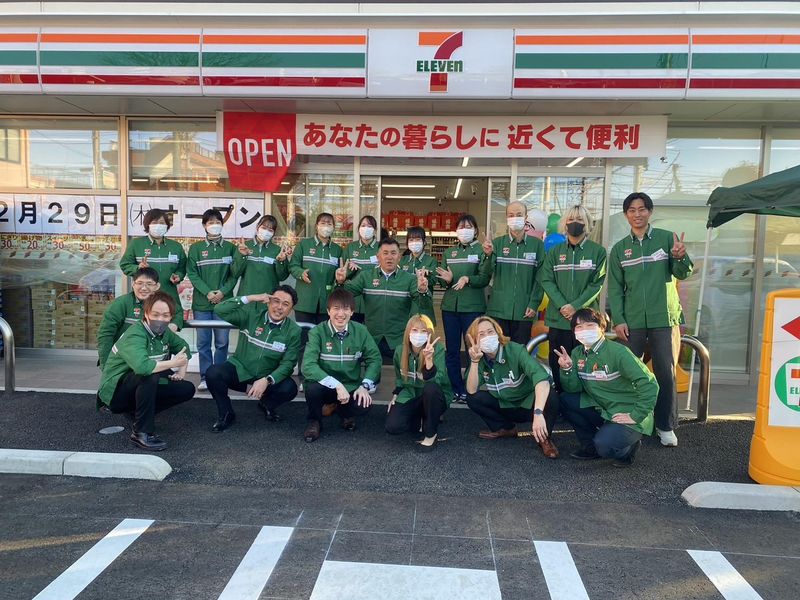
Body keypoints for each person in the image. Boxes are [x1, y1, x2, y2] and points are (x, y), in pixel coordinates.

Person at [607, 192, 692, 447]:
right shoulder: (620, 249)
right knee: (630, 373)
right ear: (626, 215)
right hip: (632, 321)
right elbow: (615, 289)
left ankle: (665, 426)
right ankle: (632, 422)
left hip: (663, 317)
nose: (637, 214)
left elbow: (683, 273)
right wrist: (619, 319)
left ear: (650, 212)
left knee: (665, 373)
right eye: (632, 210)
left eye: (642, 209)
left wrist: (680, 257)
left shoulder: (667, 239)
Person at [555, 308, 658, 467]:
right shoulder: (577, 353)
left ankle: (627, 449)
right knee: (566, 400)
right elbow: (573, 389)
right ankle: (589, 446)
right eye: (579, 327)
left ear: (602, 328)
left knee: (604, 446)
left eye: (590, 325)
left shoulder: (618, 352)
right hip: (601, 406)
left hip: (626, 409)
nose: (584, 330)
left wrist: (636, 415)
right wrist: (567, 369)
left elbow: (649, 383)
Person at [97, 291, 195, 451]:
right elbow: (143, 367)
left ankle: (138, 414)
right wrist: (174, 363)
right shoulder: (135, 333)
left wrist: (181, 372)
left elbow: (184, 348)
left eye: (165, 315)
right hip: (115, 393)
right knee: (149, 376)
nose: (160, 319)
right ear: (146, 314)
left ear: (171, 317)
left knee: (186, 388)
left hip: (137, 383)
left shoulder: (165, 333)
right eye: (155, 314)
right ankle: (141, 433)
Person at [206, 285, 301, 432]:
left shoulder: (294, 330)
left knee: (290, 388)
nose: (279, 307)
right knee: (213, 373)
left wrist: (267, 380)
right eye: (276, 301)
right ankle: (226, 413)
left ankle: (266, 404)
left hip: (266, 378)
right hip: (240, 371)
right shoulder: (251, 315)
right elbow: (220, 309)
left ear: (291, 309)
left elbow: (288, 364)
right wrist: (251, 298)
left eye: (285, 304)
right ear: (268, 301)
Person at [465, 316, 559, 458]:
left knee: (551, 396)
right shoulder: (479, 358)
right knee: (473, 398)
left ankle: (545, 439)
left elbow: (541, 379)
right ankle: (506, 429)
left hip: (528, 405)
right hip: (505, 405)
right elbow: (471, 390)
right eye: (481, 334)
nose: (487, 337)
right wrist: (474, 361)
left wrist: (538, 413)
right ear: (474, 340)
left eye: (490, 332)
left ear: (498, 333)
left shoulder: (516, 350)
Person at [535, 205, 607, 392]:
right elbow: (547, 280)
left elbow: (596, 284)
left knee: (588, 365)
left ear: (588, 223)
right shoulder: (554, 252)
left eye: (580, 219)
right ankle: (561, 401)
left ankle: (587, 401)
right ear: (564, 224)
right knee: (558, 363)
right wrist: (563, 306)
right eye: (571, 219)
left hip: (586, 321)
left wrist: (576, 306)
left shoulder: (598, 252)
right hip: (559, 320)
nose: (575, 223)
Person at [301, 289, 382, 442]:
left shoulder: (361, 331)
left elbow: (375, 359)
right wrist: (337, 385)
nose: (340, 314)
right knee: (312, 389)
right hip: (325, 385)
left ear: (352, 312)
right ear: (328, 311)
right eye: (336, 308)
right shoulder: (317, 332)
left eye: (345, 309)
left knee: (364, 405)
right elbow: (308, 365)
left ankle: (344, 412)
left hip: (350, 385)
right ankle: (314, 421)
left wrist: (364, 386)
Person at [336, 237, 429, 359]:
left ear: (399, 257)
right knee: (368, 369)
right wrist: (340, 282)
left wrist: (423, 290)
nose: (389, 257)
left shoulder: (409, 279)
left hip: (398, 339)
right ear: (378, 257)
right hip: (371, 338)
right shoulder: (366, 277)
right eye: (385, 253)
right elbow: (345, 295)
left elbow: (424, 304)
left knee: (404, 369)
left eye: (393, 253)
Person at [436, 214, 492, 403]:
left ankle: (470, 387)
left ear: (475, 230)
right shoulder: (449, 253)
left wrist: (468, 279)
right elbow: (442, 281)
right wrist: (447, 280)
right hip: (450, 307)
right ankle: (456, 388)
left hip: (472, 307)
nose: (464, 230)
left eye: (468, 227)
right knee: (452, 350)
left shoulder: (482, 250)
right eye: (461, 227)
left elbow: (484, 278)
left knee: (472, 349)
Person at [187, 208, 238, 390]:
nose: (214, 225)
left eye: (217, 222)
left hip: (224, 304)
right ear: (204, 226)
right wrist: (208, 292)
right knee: (203, 343)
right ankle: (205, 377)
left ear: (222, 225)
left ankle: (219, 376)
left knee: (222, 342)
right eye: (210, 222)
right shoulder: (196, 248)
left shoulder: (231, 248)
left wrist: (222, 293)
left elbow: (234, 275)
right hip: (202, 304)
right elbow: (192, 273)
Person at [386, 314, 452, 451]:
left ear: (429, 334)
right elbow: (399, 377)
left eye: (423, 331)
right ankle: (423, 418)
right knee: (393, 427)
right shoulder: (400, 350)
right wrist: (396, 395)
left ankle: (431, 434)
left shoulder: (438, 349)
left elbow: (437, 381)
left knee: (430, 389)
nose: (418, 334)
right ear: (408, 332)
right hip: (410, 394)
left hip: (434, 396)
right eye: (415, 330)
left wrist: (429, 361)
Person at [96, 267, 182, 370]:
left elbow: (178, 312)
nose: (144, 288)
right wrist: (106, 365)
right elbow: (105, 334)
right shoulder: (121, 304)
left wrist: (173, 325)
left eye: (149, 284)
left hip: (156, 362)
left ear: (157, 286)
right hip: (125, 363)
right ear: (133, 284)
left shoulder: (162, 302)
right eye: (139, 283)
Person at [484, 201, 545, 344]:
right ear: (506, 218)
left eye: (519, 214)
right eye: (511, 215)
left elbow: (541, 278)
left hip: (524, 310)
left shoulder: (537, 245)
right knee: (499, 350)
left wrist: (534, 303)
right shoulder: (497, 244)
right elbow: (486, 274)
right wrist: (488, 256)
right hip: (498, 309)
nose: (515, 218)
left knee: (520, 351)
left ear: (526, 217)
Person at [119, 208, 187, 328]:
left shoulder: (176, 246)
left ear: (167, 225)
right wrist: (138, 268)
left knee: (168, 329)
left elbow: (182, 268)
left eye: (161, 223)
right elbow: (125, 264)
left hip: (169, 295)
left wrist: (178, 276)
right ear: (148, 225)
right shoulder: (136, 244)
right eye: (154, 222)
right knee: (144, 328)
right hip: (145, 296)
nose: (158, 226)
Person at [289, 212, 344, 330]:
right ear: (316, 226)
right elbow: (293, 265)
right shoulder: (304, 245)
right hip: (304, 301)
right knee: (304, 336)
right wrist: (300, 273)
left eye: (329, 224)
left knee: (323, 336)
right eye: (323, 223)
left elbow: (340, 273)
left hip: (327, 303)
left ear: (333, 227)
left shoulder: (337, 250)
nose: (326, 226)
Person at [231, 214, 291, 296]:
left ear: (274, 233)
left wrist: (281, 262)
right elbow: (235, 273)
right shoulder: (244, 246)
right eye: (264, 228)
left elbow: (282, 277)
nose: (266, 232)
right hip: (246, 297)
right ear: (257, 227)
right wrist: (242, 256)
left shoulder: (277, 250)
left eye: (270, 230)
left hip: (268, 298)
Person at [341, 215, 380, 323]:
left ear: (375, 230)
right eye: (363, 225)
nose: (366, 228)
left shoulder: (381, 248)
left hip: (374, 300)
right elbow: (341, 273)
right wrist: (350, 270)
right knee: (353, 330)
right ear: (358, 229)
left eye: (369, 226)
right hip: (353, 300)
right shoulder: (350, 248)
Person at [399, 226, 438, 325]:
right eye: (411, 240)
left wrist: (427, 276)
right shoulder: (403, 260)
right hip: (404, 306)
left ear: (424, 242)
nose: (414, 242)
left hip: (423, 306)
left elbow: (434, 280)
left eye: (418, 239)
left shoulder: (431, 260)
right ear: (407, 243)